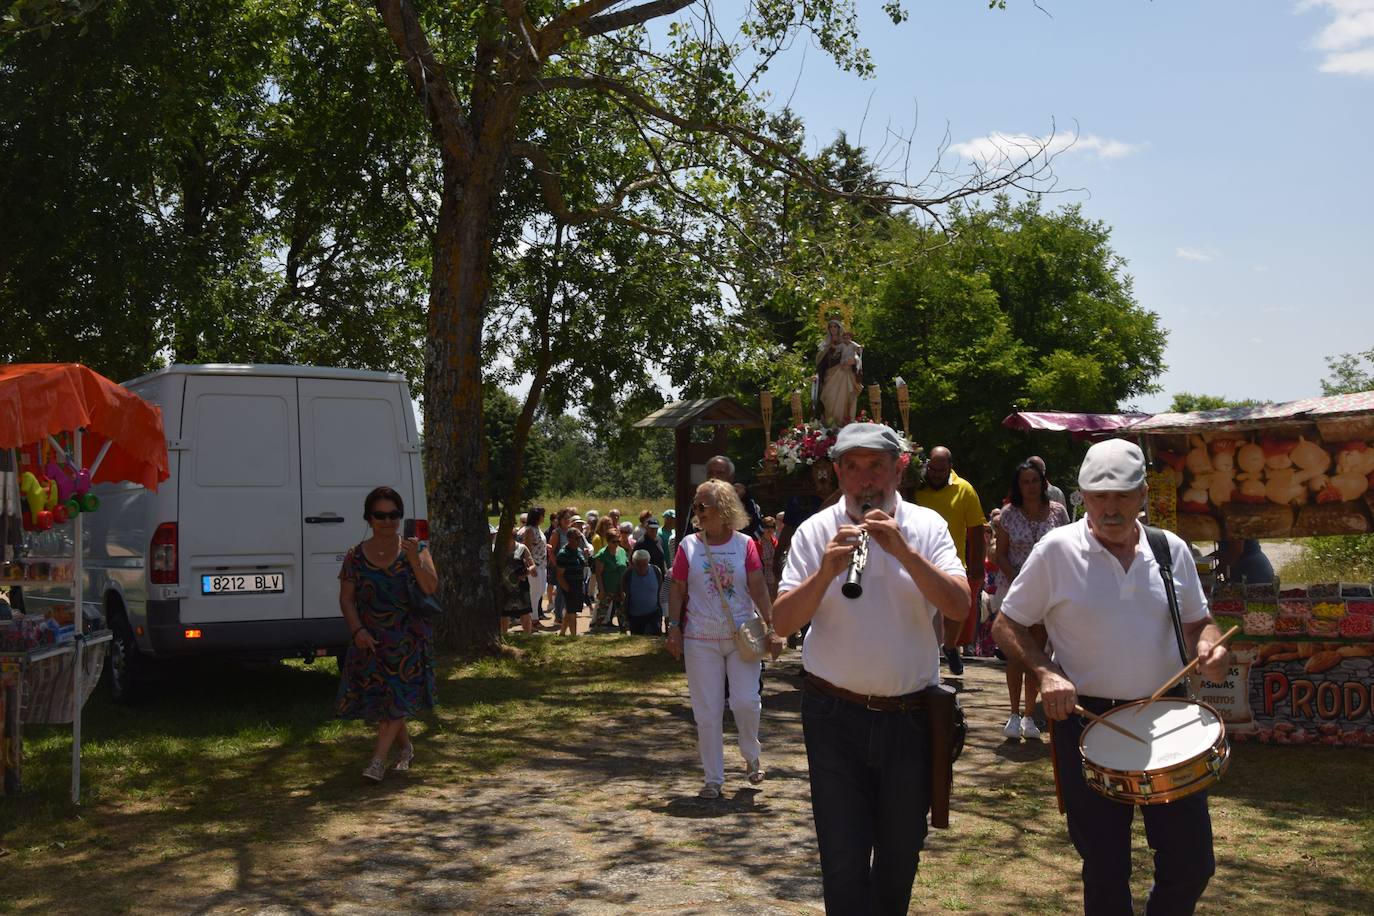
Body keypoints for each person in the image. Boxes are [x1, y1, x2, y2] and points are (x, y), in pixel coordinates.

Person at [992, 439, 1228, 916]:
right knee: (1104, 867)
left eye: (1121, 495)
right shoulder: (1056, 550)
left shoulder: (1169, 548)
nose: (1110, 507)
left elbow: (1200, 620)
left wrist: (1211, 644)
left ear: (1143, 494)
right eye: (1098, 496)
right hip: (1086, 721)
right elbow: (1006, 622)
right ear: (1081, 495)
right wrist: (1045, 671)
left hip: (1167, 721)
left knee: (1191, 862)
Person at [773, 423, 971, 914]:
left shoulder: (927, 527)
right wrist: (825, 573)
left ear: (898, 468)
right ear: (837, 471)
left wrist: (904, 551)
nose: (866, 480)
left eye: (876, 465)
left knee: (900, 858)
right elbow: (781, 622)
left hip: (910, 718)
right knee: (842, 858)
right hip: (833, 716)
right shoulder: (815, 531)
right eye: (853, 467)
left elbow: (960, 607)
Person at [666, 479, 779, 799]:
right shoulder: (688, 545)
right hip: (700, 638)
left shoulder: (745, 544)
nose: (697, 512)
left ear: (724, 508)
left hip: (742, 635)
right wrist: (674, 627)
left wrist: (772, 626)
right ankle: (713, 779)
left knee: (746, 702)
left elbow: (758, 587)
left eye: (703, 506)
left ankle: (751, 754)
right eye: (696, 506)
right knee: (707, 711)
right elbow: (677, 588)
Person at [336, 486, 439, 783]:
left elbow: (431, 588)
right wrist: (357, 630)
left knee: (397, 695)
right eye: (380, 515)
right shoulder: (355, 557)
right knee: (389, 700)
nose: (387, 521)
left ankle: (377, 762)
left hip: (408, 637)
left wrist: (414, 560)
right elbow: (346, 598)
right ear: (368, 518)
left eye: (394, 515)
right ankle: (405, 748)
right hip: (371, 639)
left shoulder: (416, 549)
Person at [993, 460, 1071, 739]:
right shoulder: (1008, 515)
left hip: (1047, 590)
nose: (1030, 487)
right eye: (1024, 482)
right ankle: (1013, 713)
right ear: (1018, 486)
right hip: (1015, 588)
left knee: (1037, 652)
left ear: (1043, 483)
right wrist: (1018, 578)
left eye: (1034, 481)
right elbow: (999, 554)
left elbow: (1067, 548)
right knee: (1016, 653)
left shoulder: (1058, 513)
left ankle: (1029, 715)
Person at [912, 446, 986, 676]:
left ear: (950, 468)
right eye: (931, 469)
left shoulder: (965, 489)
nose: (935, 474)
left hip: (952, 561)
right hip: (918, 561)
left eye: (940, 471)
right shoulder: (914, 488)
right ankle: (924, 664)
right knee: (920, 615)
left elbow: (976, 528)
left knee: (955, 613)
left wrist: (977, 567)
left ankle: (951, 646)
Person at [814, 318, 862, 427]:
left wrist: (854, 360)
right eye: (831, 326)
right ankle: (831, 424)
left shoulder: (845, 340)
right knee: (829, 398)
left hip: (844, 373)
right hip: (829, 376)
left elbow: (854, 353)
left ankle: (844, 423)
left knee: (845, 398)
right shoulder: (824, 344)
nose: (833, 329)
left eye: (835, 326)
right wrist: (817, 373)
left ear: (839, 328)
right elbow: (819, 362)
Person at [500, 525, 536, 635]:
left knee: (525, 613)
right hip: (504, 586)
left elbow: (532, 565)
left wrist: (526, 572)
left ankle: (527, 637)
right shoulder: (498, 549)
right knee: (504, 614)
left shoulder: (522, 548)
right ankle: (504, 637)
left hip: (521, 585)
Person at [554, 526, 589, 636]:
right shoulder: (563, 554)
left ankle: (562, 633)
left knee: (570, 610)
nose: (579, 540)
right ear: (569, 539)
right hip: (569, 585)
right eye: (576, 538)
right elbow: (559, 575)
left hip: (579, 584)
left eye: (580, 538)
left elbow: (583, 564)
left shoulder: (578, 551)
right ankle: (574, 636)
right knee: (572, 612)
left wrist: (587, 557)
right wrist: (567, 588)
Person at [593, 529, 629, 630]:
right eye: (614, 542)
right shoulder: (602, 555)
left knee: (622, 612)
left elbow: (625, 567)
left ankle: (624, 629)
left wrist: (623, 589)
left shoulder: (621, 551)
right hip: (607, 587)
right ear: (608, 541)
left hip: (620, 588)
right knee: (602, 612)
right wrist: (601, 590)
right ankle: (596, 628)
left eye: (618, 541)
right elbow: (598, 574)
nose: (616, 544)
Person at [624, 549, 665, 634]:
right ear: (634, 564)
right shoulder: (628, 574)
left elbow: (660, 592)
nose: (642, 568)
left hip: (653, 614)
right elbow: (625, 596)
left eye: (644, 565)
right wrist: (626, 618)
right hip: (635, 617)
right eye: (639, 565)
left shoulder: (656, 571)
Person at [521, 507, 548, 622]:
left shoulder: (538, 529)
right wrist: (530, 566)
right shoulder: (529, 530)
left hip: (542, 564)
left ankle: (533, 617)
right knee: (535, 592)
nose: (544, 517)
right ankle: (533, 619)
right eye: (542, 515)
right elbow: (526, 549)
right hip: (534, 565)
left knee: (541, 591)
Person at [758, 515, 780, 600]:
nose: (769, 529)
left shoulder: (775, 541)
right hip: (763, 577)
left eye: (772, 526)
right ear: (762, 528)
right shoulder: (758, 542)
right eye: (767, 526)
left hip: (774, 576)